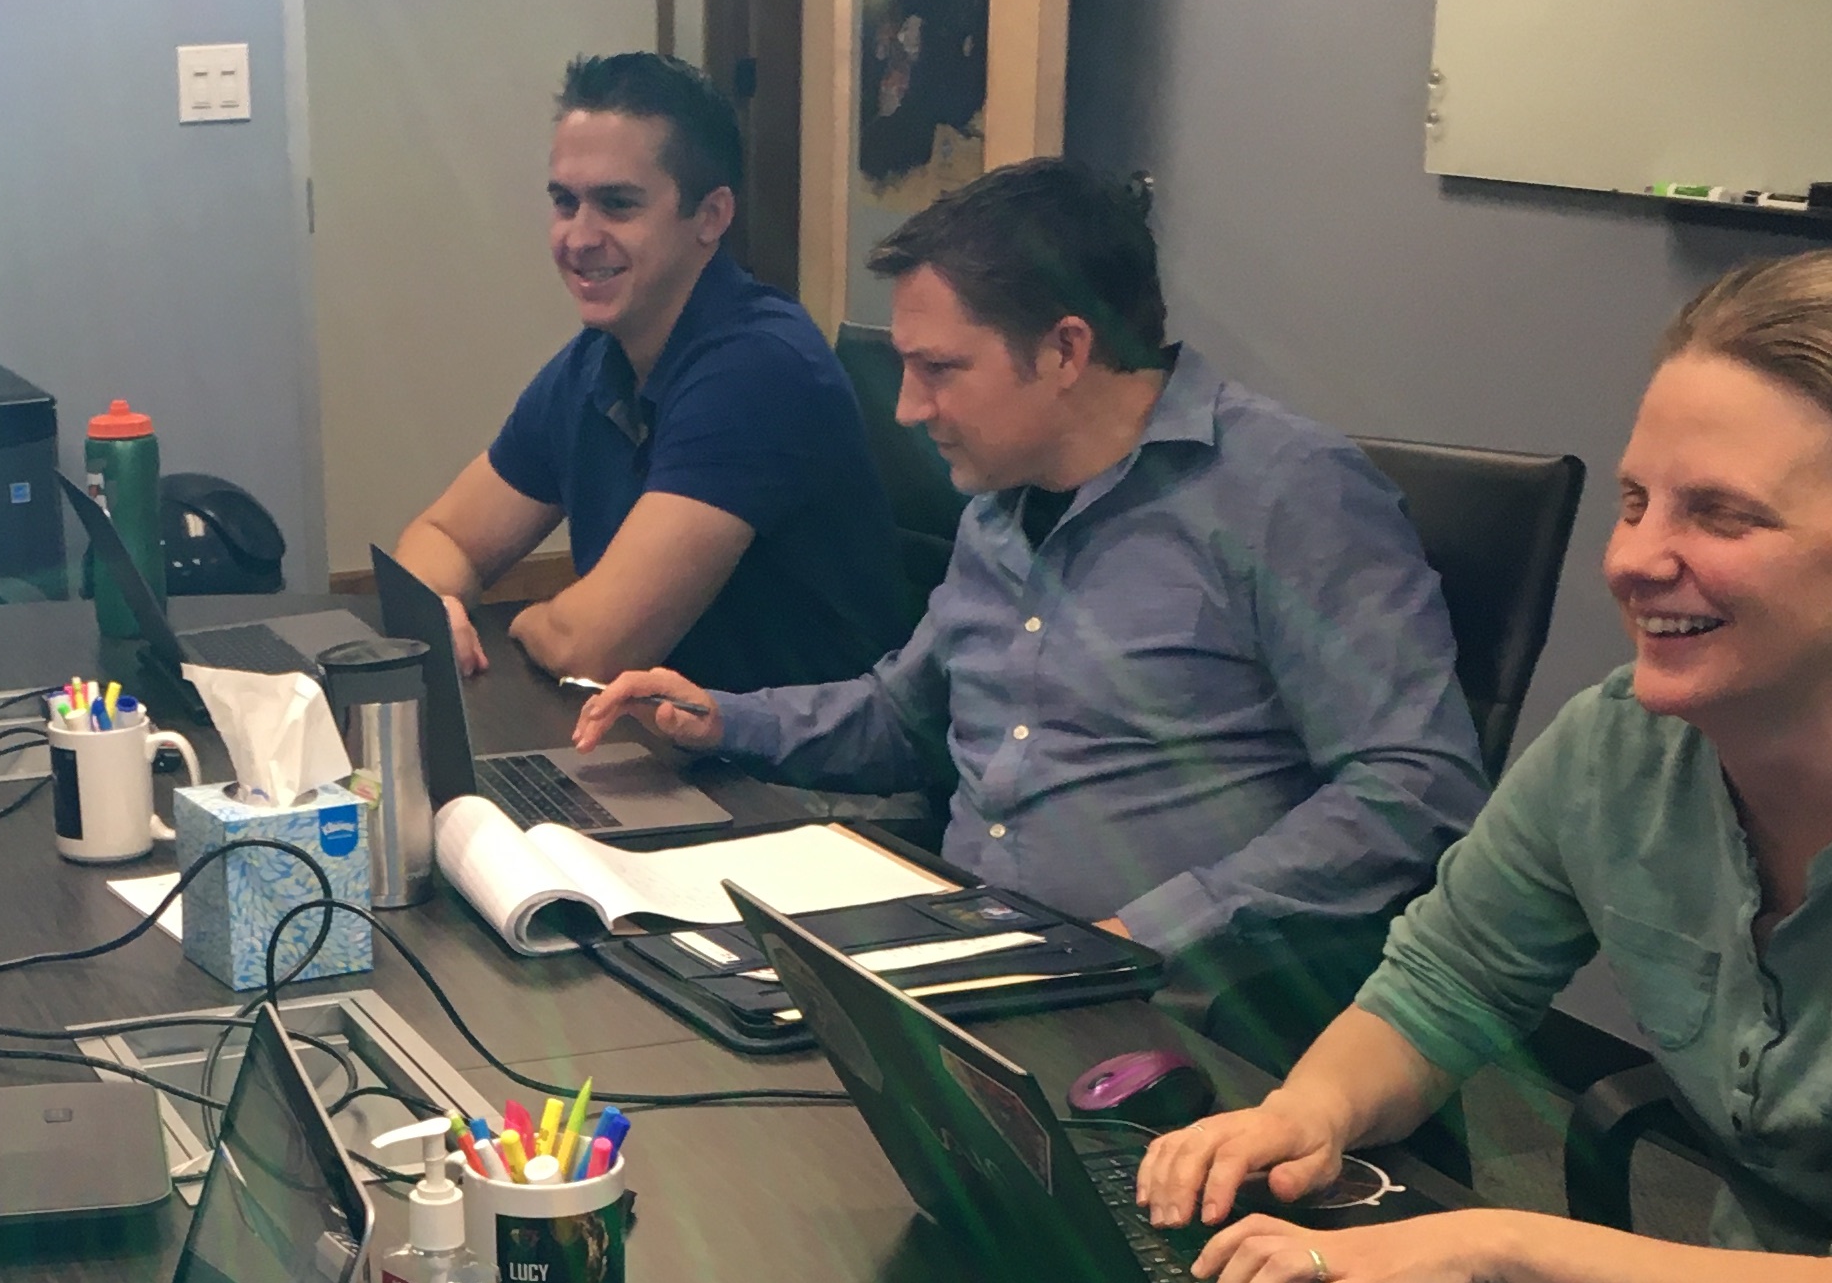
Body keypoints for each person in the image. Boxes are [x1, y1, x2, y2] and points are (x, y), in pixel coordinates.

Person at [572, 160, 1486, 1029]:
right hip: (969, 959)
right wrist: (723, 719)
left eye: (940, 369)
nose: (908, 408)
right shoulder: (1001, 503)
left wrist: (1144, 933)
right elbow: (907, 717)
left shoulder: (1290, 494)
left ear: (1064, 351)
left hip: (1171, 1005)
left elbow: (1415, 786)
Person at [1136, 251, 1832, 1283]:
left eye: (1720, 515)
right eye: (1635, 502)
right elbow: (1446, 985)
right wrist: (1312, 1111)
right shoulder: (1620, 749)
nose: (1632, 559)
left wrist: (1507, 1247)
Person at [391, 51, 911, 696]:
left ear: (711, 217)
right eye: (565, 202)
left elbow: (595, 650)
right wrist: (438, 604)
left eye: (617, 204)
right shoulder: (595, 361)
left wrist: (520, 622)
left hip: (791, 755)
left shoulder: (760, 369)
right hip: (659, 733)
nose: (579, 238)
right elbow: (444, 537)